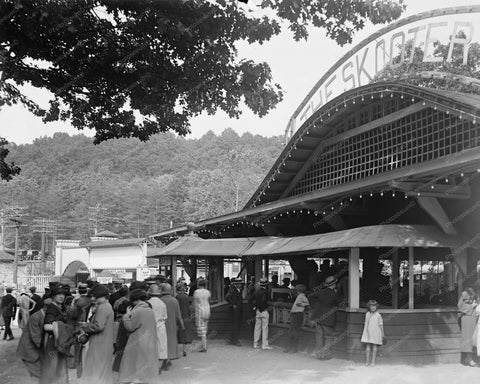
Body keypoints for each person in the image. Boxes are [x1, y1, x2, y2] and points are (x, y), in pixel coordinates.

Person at [119, 289, 159, 384]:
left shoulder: (137, 311)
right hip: (149, 340)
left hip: (137, 341)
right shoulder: (150, 310)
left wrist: (126, 316)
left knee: (135, 364)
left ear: (135, 300)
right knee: (145, 363)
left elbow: (130, 327)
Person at [79, 284, 115, 384]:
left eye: (95, 296)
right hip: (105, 343)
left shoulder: (102, 307)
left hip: (99, 344)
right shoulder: (108, 306)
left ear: (102, 296)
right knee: (102, 371)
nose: (93, 298)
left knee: (95, 371)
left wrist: (85, 326)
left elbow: (98, 326)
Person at [16, 297, 52, 380]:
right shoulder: (36, 317)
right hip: (29, 351)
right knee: (39, 375)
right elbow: (36, 337)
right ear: (47, 308)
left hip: (36, 351)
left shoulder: (45, 315)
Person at [40, 284, 68, 384]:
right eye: (58, 294)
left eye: (63, 294)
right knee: (51, 367)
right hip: (52, 342)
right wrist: (63, 328)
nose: (61, 296)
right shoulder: (52, 308)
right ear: (53, 296)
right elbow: (46, 326)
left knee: (57, 367)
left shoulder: (60, 307)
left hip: (58, 341)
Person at [308, 275, 340, 360]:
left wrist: (315, 306)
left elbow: (310, 296)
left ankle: (319, 355)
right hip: (329, 318)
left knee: (319, 336)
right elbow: (339, 303)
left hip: (318, 317)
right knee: (329, 337)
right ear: (334, 284)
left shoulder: (321, 292)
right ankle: (325, 355)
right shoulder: (334, 294)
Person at [160, 283, 185, 369]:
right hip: (172, 325)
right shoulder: (175, 301)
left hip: (161, 325)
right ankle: (169, 358)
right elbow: (179, 315)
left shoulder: (160, 300)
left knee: (162, 342)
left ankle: (164, 359)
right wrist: (182, 325)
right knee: (171, 341)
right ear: (170, 290)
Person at [148, 284, 169, 373]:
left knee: (151, 346)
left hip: (150, 327)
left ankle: (151, 367)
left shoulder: (147, 303)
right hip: (161, 327)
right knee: (161, 346)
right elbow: (165, 316)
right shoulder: (162, 303)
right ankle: (159, 367)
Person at [284, 284, 309, 353]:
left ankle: (293, 348)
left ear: (298, 290)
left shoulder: (302, 296)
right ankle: (290, 347)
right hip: (295, 314)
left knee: (294, 331)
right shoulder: (300, 296)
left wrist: (301, 305)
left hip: (298, 314)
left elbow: (307, 303)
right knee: (292, 331)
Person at [361, 299, 385, 367]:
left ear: (376, 307)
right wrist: (365, 332)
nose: (373, 307)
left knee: (374, 346)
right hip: (368, 332)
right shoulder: (367, 314)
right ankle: (367, 361)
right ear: (369, 306)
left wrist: (383, 334)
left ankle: (373, 361)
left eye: (374, 306)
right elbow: (366, 323)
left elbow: (381, 325)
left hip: (376, 332)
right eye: (371, 306)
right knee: (368, 346)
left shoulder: (378, 315)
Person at [458, 288, 478, 366]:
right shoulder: (466, 293)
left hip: (475, 318)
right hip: (468, 318)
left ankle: (470, 358)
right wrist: (471, 307)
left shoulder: (476, 292)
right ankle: (469, 359)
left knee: (474, 339)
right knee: (469, 338)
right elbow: (460, 305)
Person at [252, 277, 272, 350]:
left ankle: (255, 344)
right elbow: (265, 301)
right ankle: (264, 345)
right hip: (264, 311)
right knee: (265, 328)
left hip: (258, 311)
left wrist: (255, 307)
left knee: (257, 328)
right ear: (266, 285)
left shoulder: (256, 292)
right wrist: (265, 308)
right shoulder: (266, 292)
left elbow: (251, 300)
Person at [193, 278, 211, 352]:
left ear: (198, 285)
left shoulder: (197, 292)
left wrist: (193, 310)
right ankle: (204, 343)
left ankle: (204, 346)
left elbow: (195, 302)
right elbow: (209, 300)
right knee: (205, 328)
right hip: (207, 310)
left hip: (200, 311)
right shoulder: (207, 292)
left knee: (202, 329)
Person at [176, 284, 193, 356]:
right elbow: (189, 307)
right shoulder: (186, 297)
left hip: (178, 317)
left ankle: (177, 350)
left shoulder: (176, 297)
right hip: (186, 317)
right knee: (185, 335)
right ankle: (184, 350)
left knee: (178, 334)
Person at [225, 277, 243, 346]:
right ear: (236, 284)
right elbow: (227, 297)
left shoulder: (237, 289)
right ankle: (235, 340)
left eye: (241, 283)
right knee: (236, 325)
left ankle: (233, 339)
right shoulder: (233, 289)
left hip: (237, 310)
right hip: (235, 310)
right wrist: (233, 304)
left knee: (235, 325)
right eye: (239, 283)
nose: (240, 285)